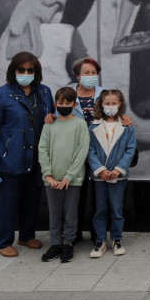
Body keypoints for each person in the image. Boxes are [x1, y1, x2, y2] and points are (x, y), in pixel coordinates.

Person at [45, 57, 133, 246]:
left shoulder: (103, 94)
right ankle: (73, 234)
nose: (90, 76)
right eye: (86, 73)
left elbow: (115, 111)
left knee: (98, 195)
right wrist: (51, 116)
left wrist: (124, 118)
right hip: (74, 151)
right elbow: (60, 112)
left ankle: (97, 235)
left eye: (93, 73)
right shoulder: (69, 94)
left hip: (98, 150)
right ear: (77, 75)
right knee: (76, 192)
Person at [0, 51, 54, 257]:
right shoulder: (1, 95)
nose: (26, 73)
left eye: (30, 70)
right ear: (13, 71)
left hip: (36, 158)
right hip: (9, 159)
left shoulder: (45, 93)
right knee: (8, 202)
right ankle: (3, 241)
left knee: (31, 199)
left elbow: (52, 118)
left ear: (36, 72)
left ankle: (26, 236)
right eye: (21, 70)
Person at [38, 87, 90, 263]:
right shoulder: (49, 124)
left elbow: (82, 152)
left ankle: (68, 243)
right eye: (61, 103)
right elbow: (42, 149)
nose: (64, 105)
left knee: (70, 213)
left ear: (75, 105)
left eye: (68, 103)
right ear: (55, 104)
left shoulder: (80, 125)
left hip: (73, 180)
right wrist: (48, 175)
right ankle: (55, 243)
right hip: (51, 180)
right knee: (55, 213)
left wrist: (69, 176)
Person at [87, 89, 137, 258]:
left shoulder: (127, 126)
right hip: (100, 177)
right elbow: (90, 150)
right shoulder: (93, 126)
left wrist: (118, 169)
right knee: (100, 209)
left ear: (120, 104)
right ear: (101, 104)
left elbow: (130, 150)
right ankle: (100, 241)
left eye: (114, 103)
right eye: (107, 103)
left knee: (116, 209)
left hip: (118, 176)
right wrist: (100, 170)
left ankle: (117, 239)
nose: (110, 106)